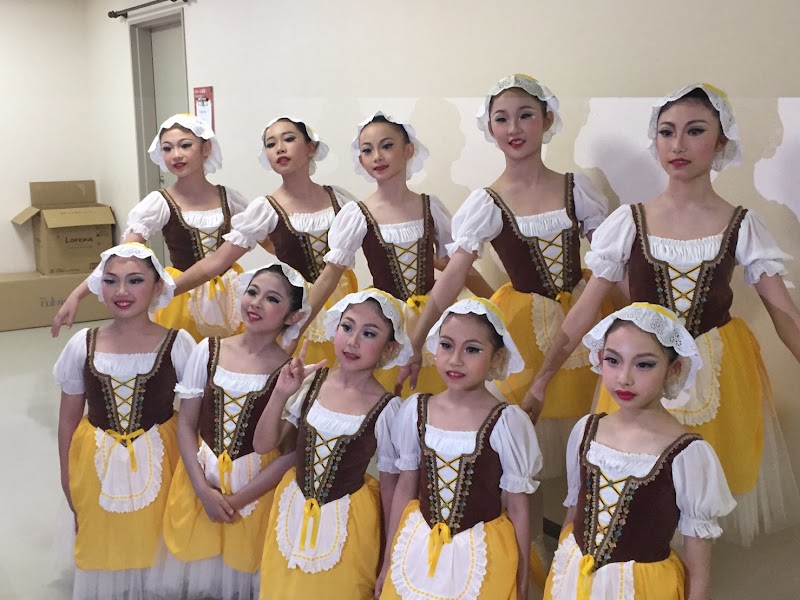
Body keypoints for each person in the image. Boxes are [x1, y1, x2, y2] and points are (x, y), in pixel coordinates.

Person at [525, 83, 800, 546]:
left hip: (716, 377)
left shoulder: (742, 224)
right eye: (667, 131)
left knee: (697, 513)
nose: (678, 145)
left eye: (695, 131)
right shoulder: (630, 222)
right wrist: (541, 380)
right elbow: (584, 312)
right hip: (637, 374)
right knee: (631, 506)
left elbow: (785, 315)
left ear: (721, 141)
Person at [401, 75, 609, 480]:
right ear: (490, 128)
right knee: (524, 454)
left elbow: (611, 264)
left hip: (584, 320)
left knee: (590, 447)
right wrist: (415, 342)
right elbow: (453, 276)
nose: (514, 128)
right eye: (502, 119)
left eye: (525, 115)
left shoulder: (576, 189)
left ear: (547, 120)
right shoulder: (487, 202)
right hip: (525, 330)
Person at [544, 302, 737, 600]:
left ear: (674, 369)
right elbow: (573, 512)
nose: (624, 377)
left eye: (643, 364)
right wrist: (560, 570)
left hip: (643, 589)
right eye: (613, 360)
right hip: (574, 578)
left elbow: (698, 567)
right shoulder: (586, 430)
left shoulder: (687, 454)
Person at [153, 261, 310, 599]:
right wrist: (202, 489)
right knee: (201, 570)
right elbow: (187, 424)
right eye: (252, 292)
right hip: (202, 478)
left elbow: (289, 454)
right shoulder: (209, 350)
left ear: (293, 316)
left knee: (244, 570)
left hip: (257, 491)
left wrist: (238, 499)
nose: (256, 303)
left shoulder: (291, 375)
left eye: (272, 299)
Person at [308, 112, 494, 395]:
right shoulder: (357, 213)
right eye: (367, 150)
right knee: (386, 394)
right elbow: (330, 275)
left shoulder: (430, 207)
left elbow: (458, 267)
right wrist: (299, 320)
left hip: (433, 317)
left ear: (408, 150)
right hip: (383, 321)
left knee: (434, 395)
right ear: (361, 160)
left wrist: (496, 304)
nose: (377, 157)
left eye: (387, 146)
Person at [53, 243, 196, 599]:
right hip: (97, 459)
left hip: (163, 459)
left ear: (158, 286)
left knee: (154, 531)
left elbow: (197, 417)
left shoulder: (178, 344)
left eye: (135, 280)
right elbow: (68, 420)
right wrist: (66, 478)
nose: (121, 291)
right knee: (106, 534)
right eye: (110, 280)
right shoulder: (82, 344)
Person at [378, 297, 541, 600]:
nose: (455, 360)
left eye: (472, 349)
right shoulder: (416, 410)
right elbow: (405, 487)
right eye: (447, 345)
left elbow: (518, 507)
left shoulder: (506, 422)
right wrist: (388, 560)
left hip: (482, 553)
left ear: (496, 357)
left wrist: (520, 582)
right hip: (418, 546)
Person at [254, 289, 409, 599]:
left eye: (369, 333)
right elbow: (263, 444)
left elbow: (392, 489)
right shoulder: (312, 382)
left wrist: (390, 558)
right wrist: (281, 393)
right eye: (347, 327)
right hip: (293, 512)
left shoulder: (388, 409)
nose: (352, 341)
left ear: (389, 348)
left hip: (351, 522)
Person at [170, 116, 359, 365]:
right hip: (292, 309)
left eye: (288, 139)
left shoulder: (340, 200)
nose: (279, 148)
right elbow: (216, 261)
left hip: (341, 303)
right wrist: (165, 290)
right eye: (271, 144)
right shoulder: (265, 209)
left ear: (310, 147)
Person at [52, 113, 248, 341]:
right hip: (182, 295)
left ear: (206, 148)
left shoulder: (231, 199)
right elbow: (122, 254)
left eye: (185, 145)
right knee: (184, 354)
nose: (176, 155)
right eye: (167, 148)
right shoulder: (160, 203)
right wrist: (77, 295)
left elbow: (266, 237)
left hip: (231, 292)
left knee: (233, 356)